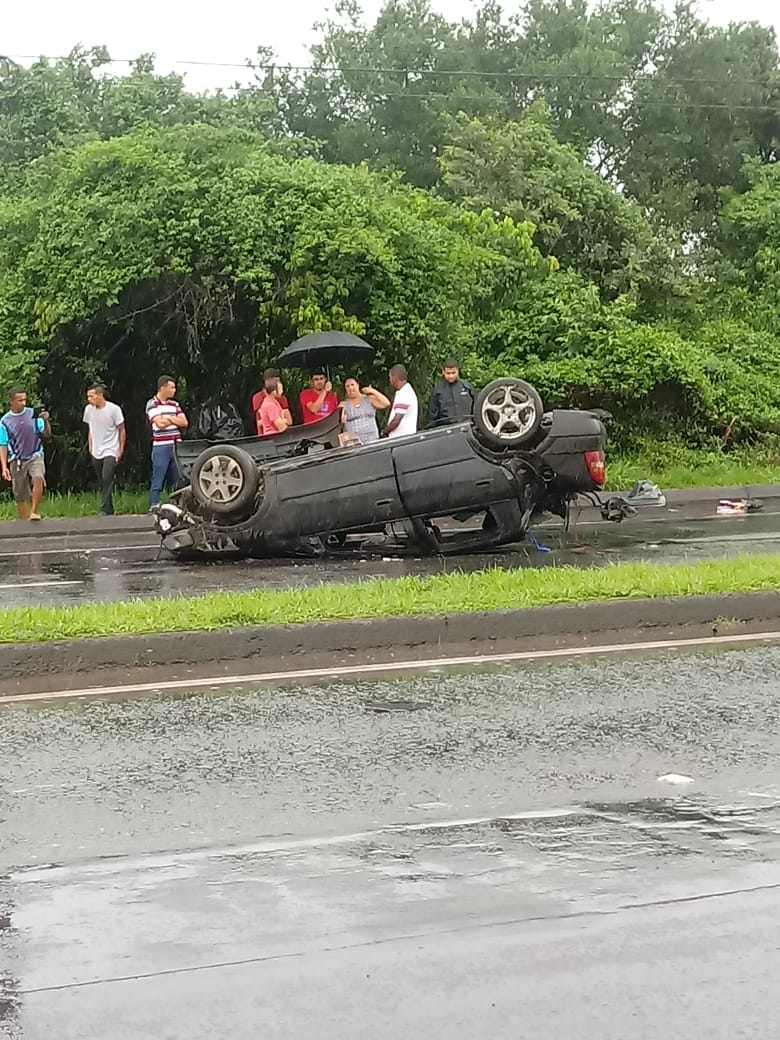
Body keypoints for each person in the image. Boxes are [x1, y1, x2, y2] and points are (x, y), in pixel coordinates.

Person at [0, 387, 50, 521]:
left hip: (35, 453)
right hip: (17, 458)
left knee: (38, 477)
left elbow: (46, 433)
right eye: (19, 400)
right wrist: (4, 466)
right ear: (11, 401)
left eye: (24, 400)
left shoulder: (32, 414)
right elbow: (3, 445)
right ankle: (24, 520)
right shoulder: (5, 421)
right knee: (20, 492)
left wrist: (45, 420)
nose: (23, 403)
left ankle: (34, 511)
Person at [83, 384, 126, 516]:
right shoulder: (89, 410)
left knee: (107, 476)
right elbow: (90, 428)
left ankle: (103, 508)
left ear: (100, 395)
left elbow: (121, 430)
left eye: (91, 396)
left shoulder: (114, 409)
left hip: (111, 449)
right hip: (96, 449)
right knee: (102, 478)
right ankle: (109, 507)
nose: (89, 399)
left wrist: (120, 449)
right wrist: (90, 445)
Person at [146, 375, 188, 509]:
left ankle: (179, 506)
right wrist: (173, 419)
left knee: (178, 478)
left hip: (177, 445)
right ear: (163, 388)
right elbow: (159, 423)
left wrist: (167, 418)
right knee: (159, 476)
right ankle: (154, 505)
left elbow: (184, 422)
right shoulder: (152, 403)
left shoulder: (174, 404)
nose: (174, 390)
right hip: (161, 446)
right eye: (171, 387)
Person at [426, 358, 475, 427]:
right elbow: (432, 415)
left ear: (458, 371)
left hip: (467, 426)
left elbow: (475, 407)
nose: (451, 376)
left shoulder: (467, 387)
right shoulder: (437, 390)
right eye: (448, 373)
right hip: (446, 429)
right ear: (443, 372)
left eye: (453, 373)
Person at [339, 377, 390, 444]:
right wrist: (342, 421)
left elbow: (386, 404)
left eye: (352, 385)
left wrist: (372, 391)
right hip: (354, 443)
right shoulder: (343, 405)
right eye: (347, 386)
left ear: (357, 385)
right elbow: (338, 425)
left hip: (372, 439)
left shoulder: (369, 399)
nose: (350, 388)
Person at [381, 364, 419, 439]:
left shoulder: (405, 393)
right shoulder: (403, 391)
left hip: (402, 438)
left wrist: (384, 432)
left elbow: (396, 420)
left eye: (390, 377)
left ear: (395, 377)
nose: (390, 380)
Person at [252, 368, 290, 435]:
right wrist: (282, 420)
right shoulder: (267, 403)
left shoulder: (279, 399)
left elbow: (289, 420)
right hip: (271, 437)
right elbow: (260, 422)